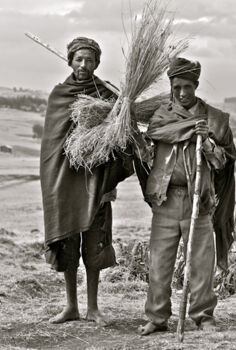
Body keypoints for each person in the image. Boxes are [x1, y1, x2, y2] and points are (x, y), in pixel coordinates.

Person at [40, 37, 135, 325]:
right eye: (79, 59)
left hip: (97, 183)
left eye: (90, 60)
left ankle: (93, 307)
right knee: (68, 245)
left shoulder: (107, 95)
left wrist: (111, 181)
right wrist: (54, 186)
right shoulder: (59, 95)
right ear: (69, 60)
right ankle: (71, 307)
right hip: (65, 185)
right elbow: (52, 148)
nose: (84, 65)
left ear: (97, 63)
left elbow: (120, 141)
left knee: (93, 247)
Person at [139, 57, 236, 335]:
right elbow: (149, 150)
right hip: (166, 200)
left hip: (199, 201)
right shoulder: (160, 117)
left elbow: (222, 162)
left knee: (201, 264)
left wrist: (206, 142)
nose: (182, 93)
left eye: (188, 87)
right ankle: (157, 318)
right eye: (177, 87)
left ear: (196, 85)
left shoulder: (213, 120)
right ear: (171, 86)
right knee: (159, 262)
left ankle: (203, 316)